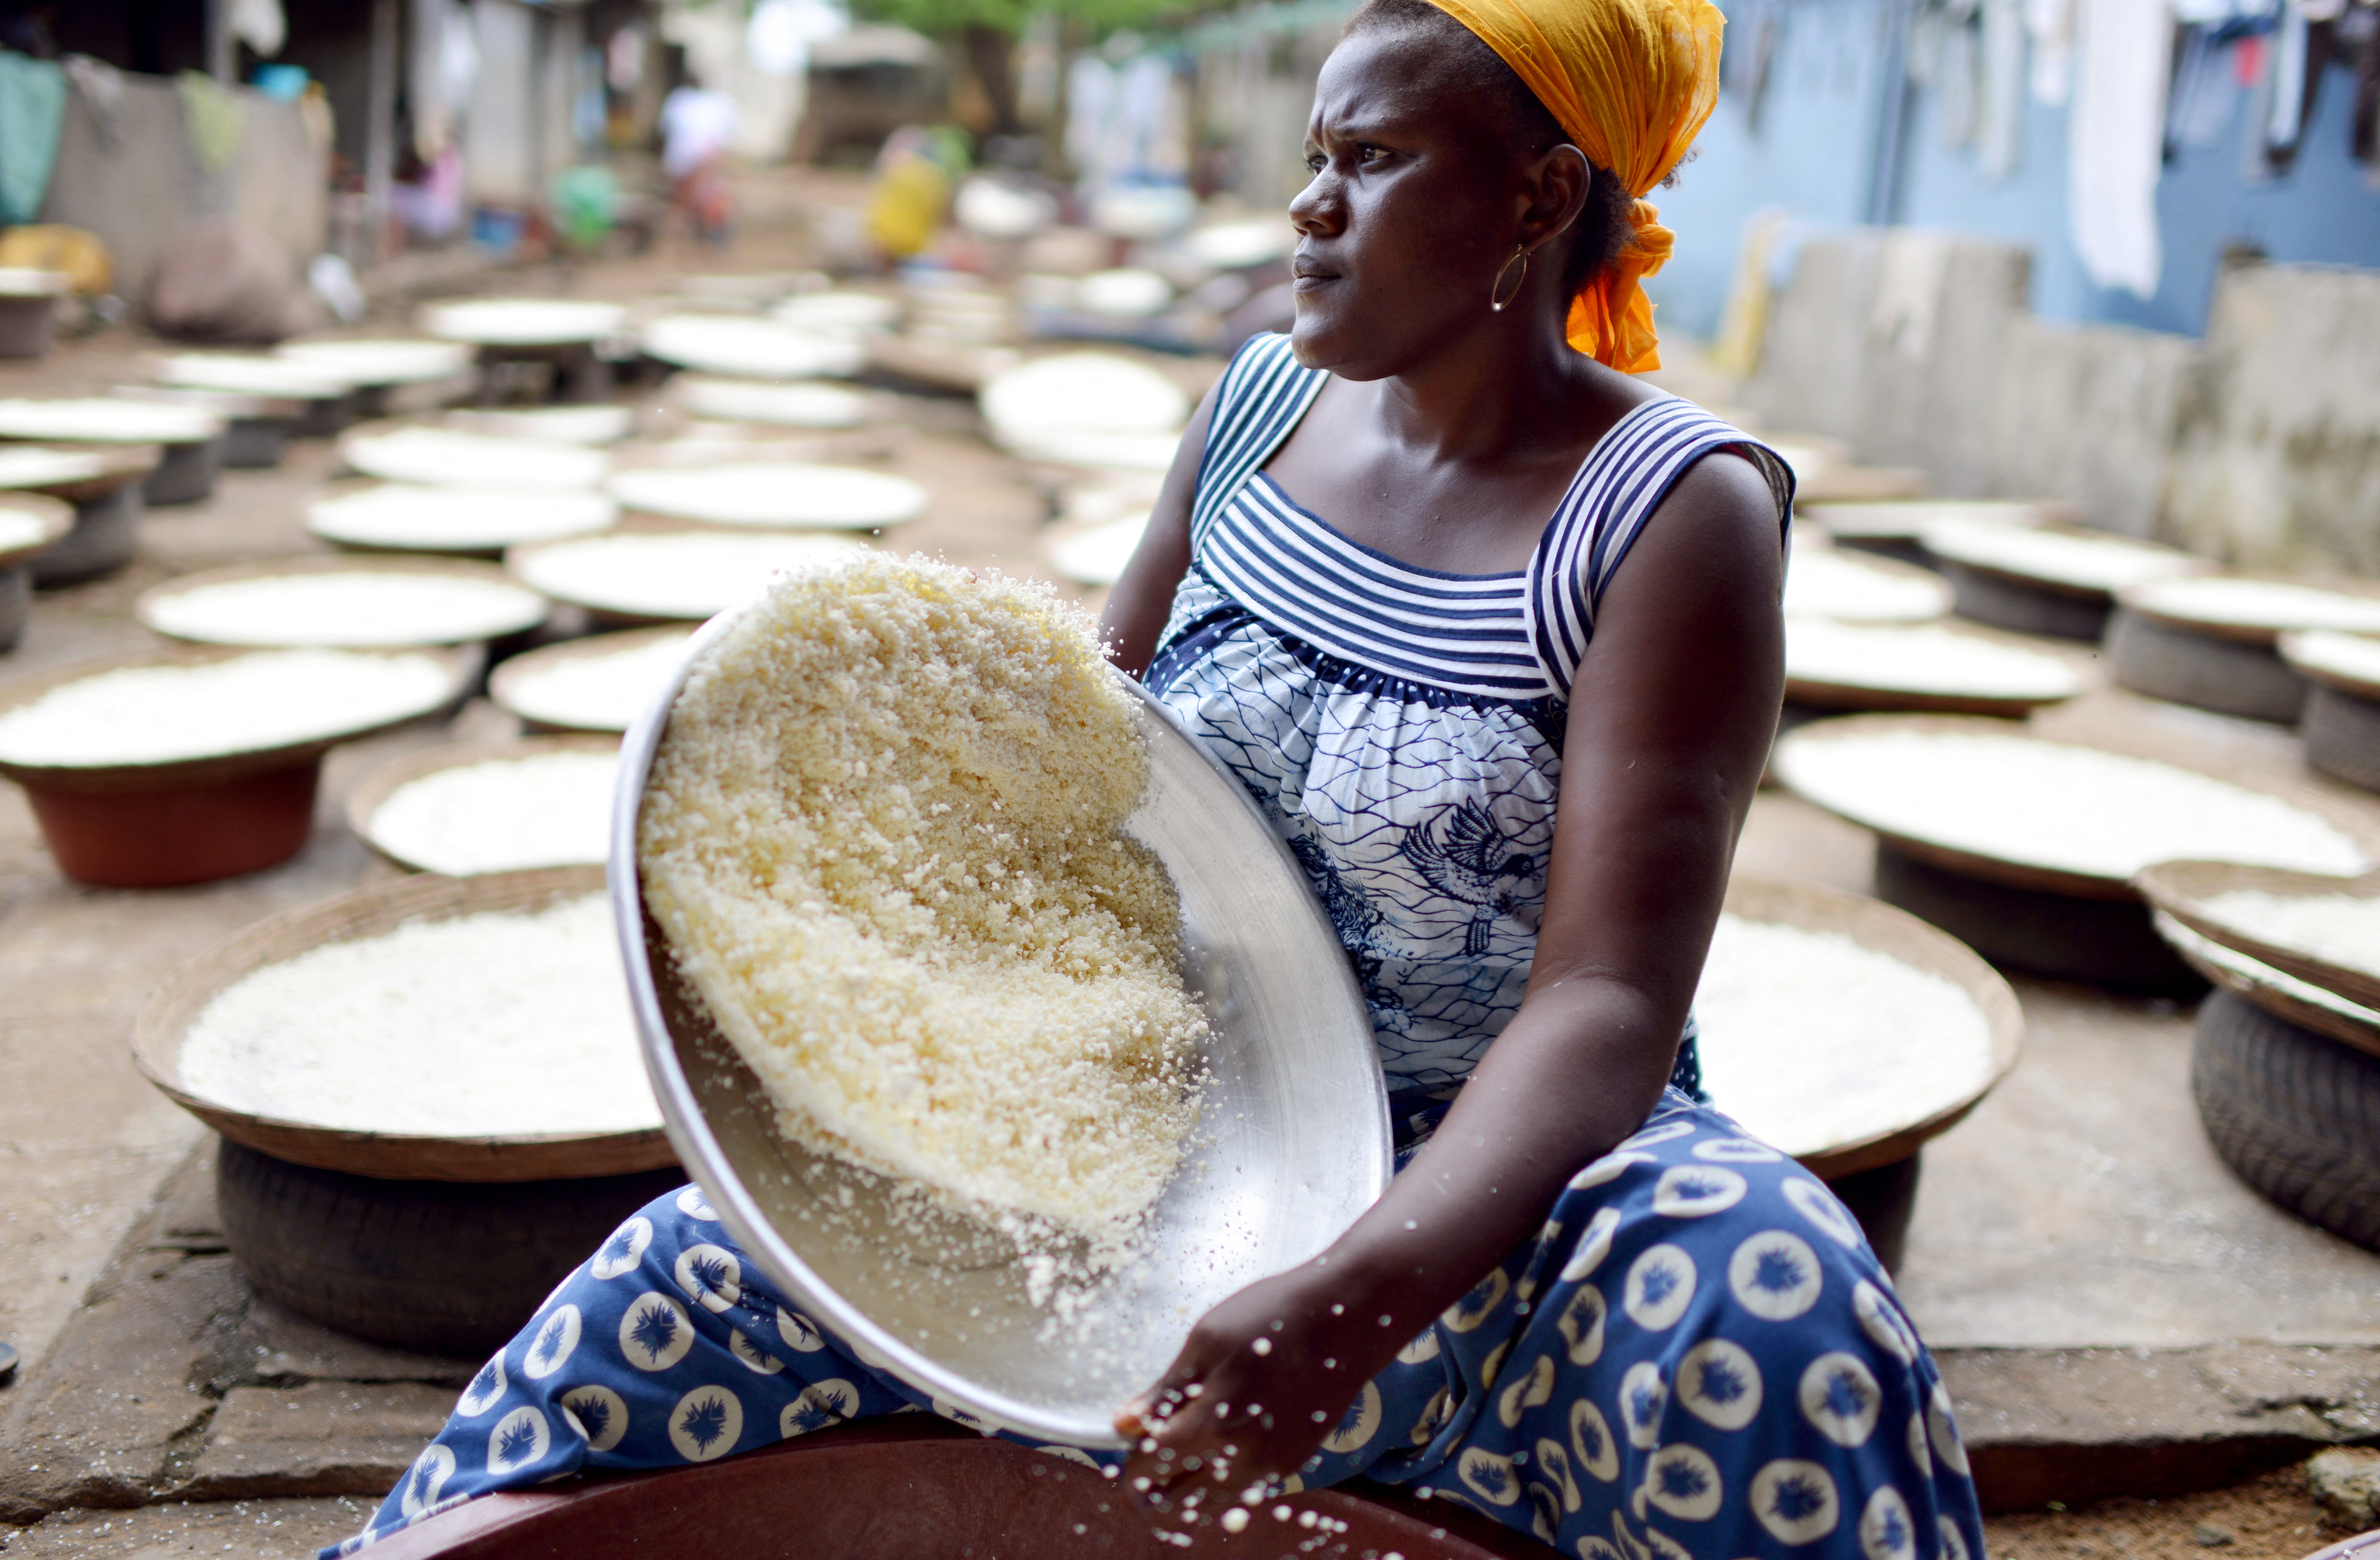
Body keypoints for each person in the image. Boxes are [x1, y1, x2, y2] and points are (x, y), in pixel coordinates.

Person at [330, 0, 1989, 1553]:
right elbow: (1085, 753)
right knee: (680, 1279)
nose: (1309, 208)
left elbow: (1609, 1006)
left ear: (1541, 193)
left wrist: (1353, 1288)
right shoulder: (1260, 400)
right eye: (1316, 159)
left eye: (1373, 161)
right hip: (1183, 1133)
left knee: (1769, 1299)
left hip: (1498, 1196)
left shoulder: (1671, 514)